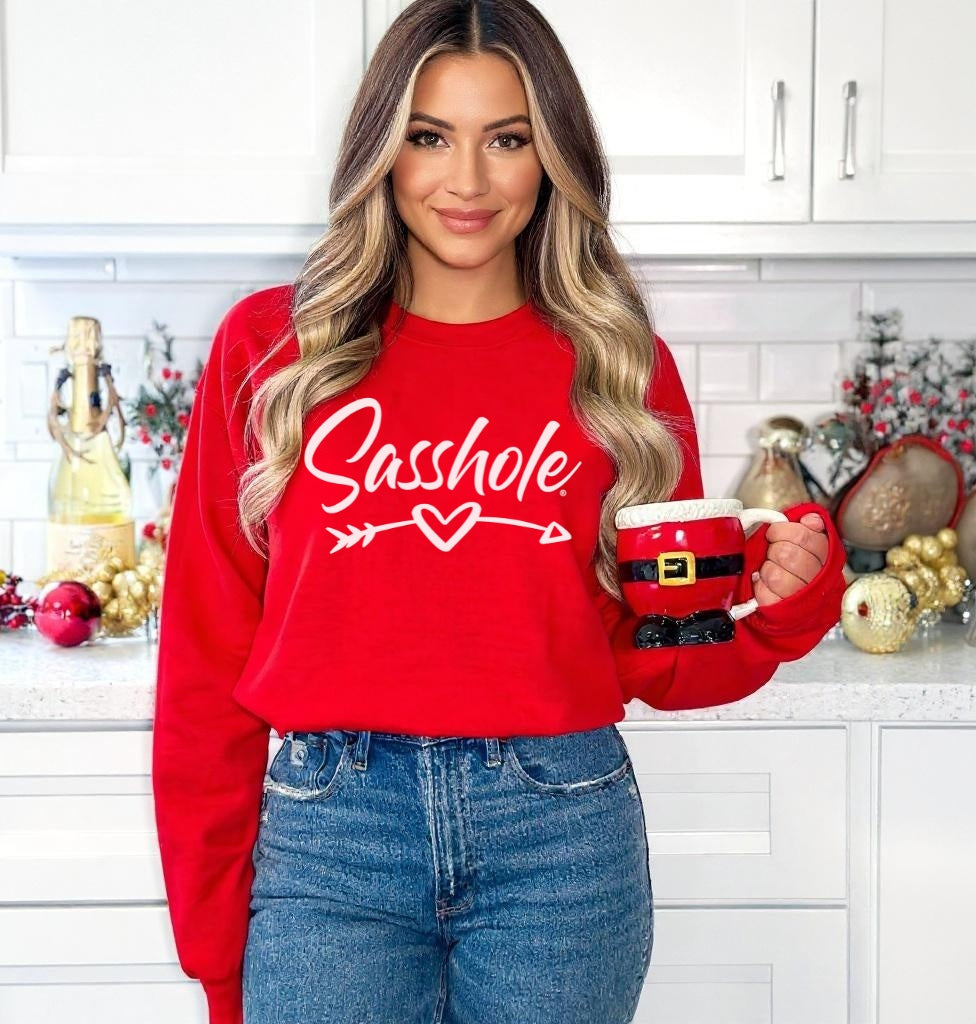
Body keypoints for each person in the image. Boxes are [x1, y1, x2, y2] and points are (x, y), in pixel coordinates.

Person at [151, 2, 847, 1022]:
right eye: (429, 136)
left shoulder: (615, 365)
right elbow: (205, 669)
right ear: (382, 153)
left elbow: (663, 652)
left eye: (507, 139)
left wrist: (786, 607)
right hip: (328, 846)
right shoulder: (271, 354)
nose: (466, 181)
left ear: (551, 156)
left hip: (559, 843)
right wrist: (219, 959)